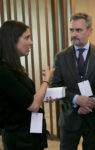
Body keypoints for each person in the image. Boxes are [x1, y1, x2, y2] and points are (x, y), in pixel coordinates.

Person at [50, 13, 95, 150]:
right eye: (71, 30)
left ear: (90, 31)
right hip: (70, 118)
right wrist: (77, 99)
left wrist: (92, 101)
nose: (73, 34)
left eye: (78, 30)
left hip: (93, 118)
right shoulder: (61, 57)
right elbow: (55, 86)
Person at [0, 20, 54, 150]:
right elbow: (33, 105)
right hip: (19, 137)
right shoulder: (3, 70)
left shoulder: (14, 67)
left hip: (28, 131)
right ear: (12, 40)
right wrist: (46, 80)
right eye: (27, 37)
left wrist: (42, 96)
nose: (31, 42)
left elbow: (23, 99)